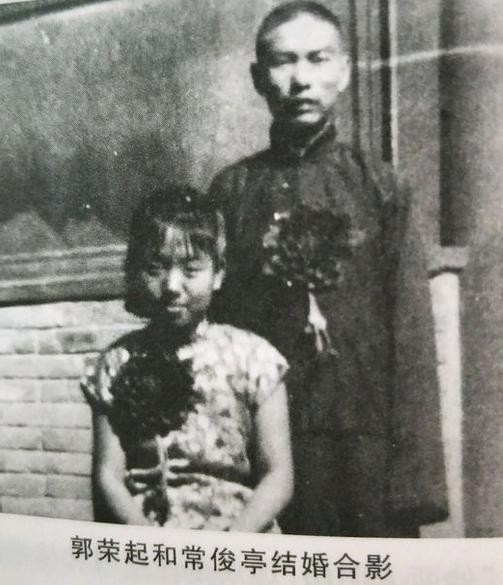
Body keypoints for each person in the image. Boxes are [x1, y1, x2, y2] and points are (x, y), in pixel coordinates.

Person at [209, 0, 448, 536]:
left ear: (344, 71)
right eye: (283, 61)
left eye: (318, 59)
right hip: (266, 450)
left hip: (364, 452)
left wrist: (414, 485)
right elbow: (216, 338)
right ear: (258, 78)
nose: (300, 79)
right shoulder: (232, 192)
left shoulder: (379, 187)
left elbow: (410, 337)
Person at [81, 184, 293, 531]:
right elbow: (108, 474)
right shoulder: (116, 364)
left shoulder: (255, 359)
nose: (172, 285)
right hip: (147, 535)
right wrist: (150, 543)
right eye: (155, 268)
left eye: (191, 270)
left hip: (239, 533)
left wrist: (233, 542)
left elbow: (279, 475)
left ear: (218, 273)